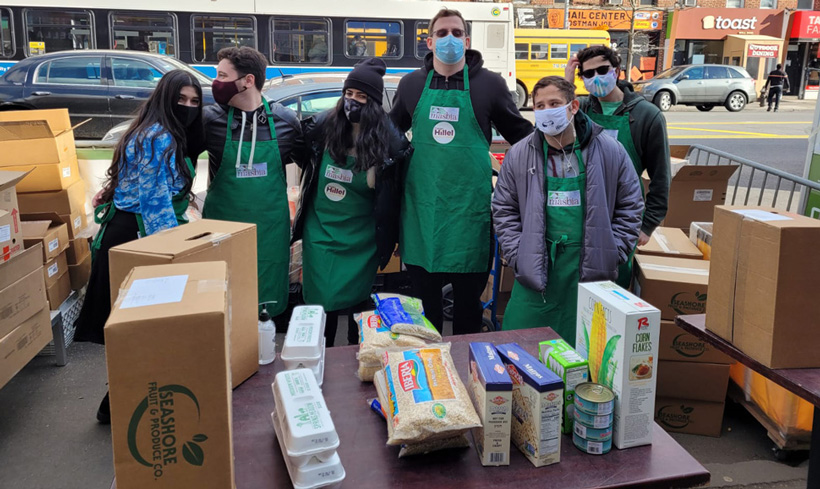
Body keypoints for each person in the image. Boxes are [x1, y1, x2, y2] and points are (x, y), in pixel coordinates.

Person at [389, 8, 533, 335]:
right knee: (425, 313)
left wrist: (560, 145)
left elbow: (522, 136)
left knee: (468, 311)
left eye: (456, 33)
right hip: (422, 216)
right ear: (429, 42)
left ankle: (467, 364)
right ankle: (428, 363)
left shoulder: (490, 85)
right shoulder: (411, 85)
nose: (449, 39)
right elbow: (388, 135)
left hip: (469, 216)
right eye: (442, 33)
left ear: (467, 41)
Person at [74, 69, 205, 423]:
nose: (188, 107)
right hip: (138, 236)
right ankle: (122, 401)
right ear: (166, 98)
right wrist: (173, 255)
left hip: (126, 232)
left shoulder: (149, 130)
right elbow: (155, 203)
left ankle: (119, 399)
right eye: (181, 99)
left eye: (194, 101)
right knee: (142, 324)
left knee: (133, 325)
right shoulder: (158, 137)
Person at [492, 76, 643, 343]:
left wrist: (614, 250)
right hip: (536, 270)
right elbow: (504, 208)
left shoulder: (610, 151)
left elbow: (630, 204)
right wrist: (517, 253)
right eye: (540, 106)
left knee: (588, 348)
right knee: (522, 347)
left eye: (554, 103)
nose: (546, 110)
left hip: (592, 272)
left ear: (573, 106)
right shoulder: (520, 155)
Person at [292, 58, 412, 346]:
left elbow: (394, 196)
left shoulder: (390, 144)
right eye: (348, 94)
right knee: (321, 304)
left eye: (361, 96)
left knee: (359, 307)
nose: (352, 101)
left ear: (374, 103)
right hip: (321, 231)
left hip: (361, 238)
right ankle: (320, 353)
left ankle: (356, 355)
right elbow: (301, 156)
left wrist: (393, 238)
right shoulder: (323, 127)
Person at [202, 47, 304, 319]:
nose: (216, 83)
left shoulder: (285, 122)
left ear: (248, 80)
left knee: (265, 308)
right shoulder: (209, 120)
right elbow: (179, 161)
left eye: (222, 76)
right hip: (221, 231)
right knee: (222, 305)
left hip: (269, 234)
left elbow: (310, 165)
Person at [566, 45, 670, 288]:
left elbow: (661, 176)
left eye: (602, 70)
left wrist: (647, 225)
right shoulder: (580, 109)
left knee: (612, 287)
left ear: (617, 71)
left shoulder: (647, 116)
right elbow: (555, 127)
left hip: (622, 216)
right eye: (588, 74)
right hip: (579, 212)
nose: (596, 77)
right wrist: (567, 84)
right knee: (574, 285)